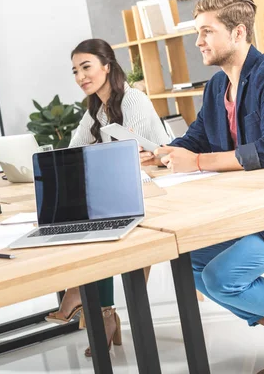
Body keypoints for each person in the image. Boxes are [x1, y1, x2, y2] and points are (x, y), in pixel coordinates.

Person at [140, 0, 264, 357]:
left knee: (220, 278)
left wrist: (196, 163)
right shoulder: (216, 86)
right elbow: (197, 137)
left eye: (207, 31)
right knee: (193, 260)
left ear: (238, 33)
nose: (198, 41)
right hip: (244, 210)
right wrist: (160, 153)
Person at [45, 38, 170, 357]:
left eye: (86, 67)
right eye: (75, 70)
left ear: (107, 66)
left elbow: (135, 152)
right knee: (83, 215)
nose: (80, 76)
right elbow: (75, 148)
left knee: (93, 216)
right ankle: (101, 311)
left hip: (161, 187)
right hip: (129, 186)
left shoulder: (133, 99)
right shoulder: (96, 108)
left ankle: (84, 296)